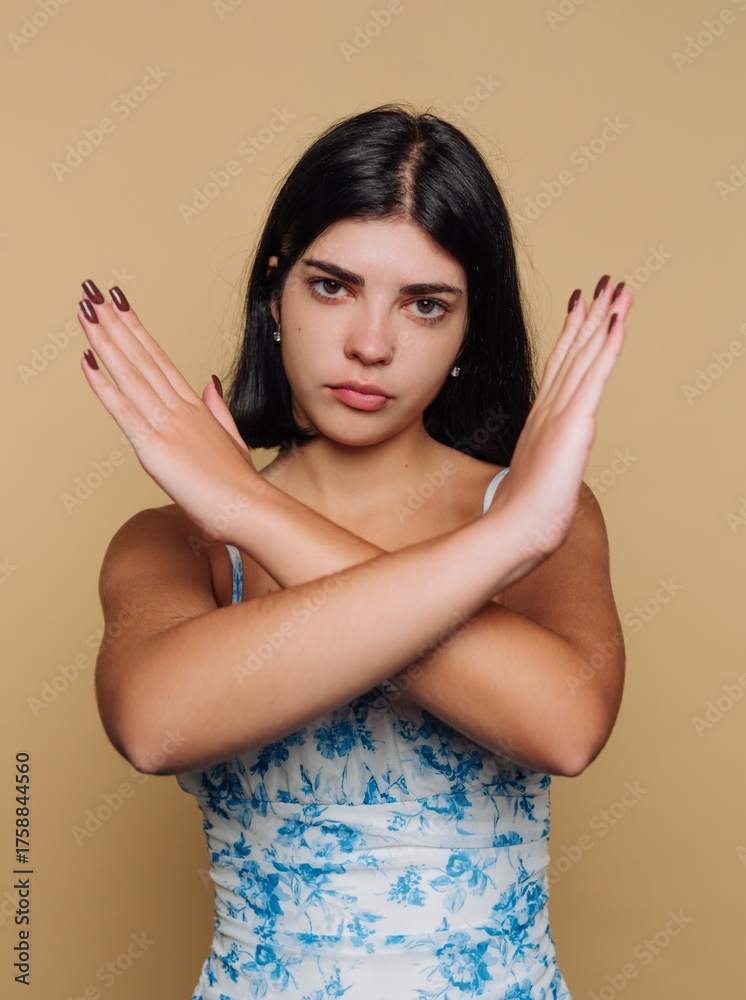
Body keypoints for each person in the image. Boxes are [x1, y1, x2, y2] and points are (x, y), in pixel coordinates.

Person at [77, 104, 631, 999]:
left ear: (466, 329)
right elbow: (153, 727)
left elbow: (564, 729)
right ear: (274, 291)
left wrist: (251, 508)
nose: (371, 345)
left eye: (424, 304)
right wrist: (502, 547)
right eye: (332, 285)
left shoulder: (535, 511)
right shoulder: (174, 541)